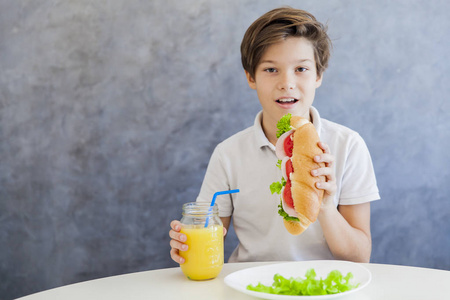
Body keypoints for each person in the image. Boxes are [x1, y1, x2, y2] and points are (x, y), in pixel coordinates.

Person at [169, 7, 380, 264]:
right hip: (248, 286)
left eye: (301, 69)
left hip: (322, 289)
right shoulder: (228, 154)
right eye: (271, 70)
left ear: (319, 75)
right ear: (250, 77)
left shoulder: (348, 146)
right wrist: (187, 246)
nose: (287, 83)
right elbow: (205, 242)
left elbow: (360, 257)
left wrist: (325, 207)